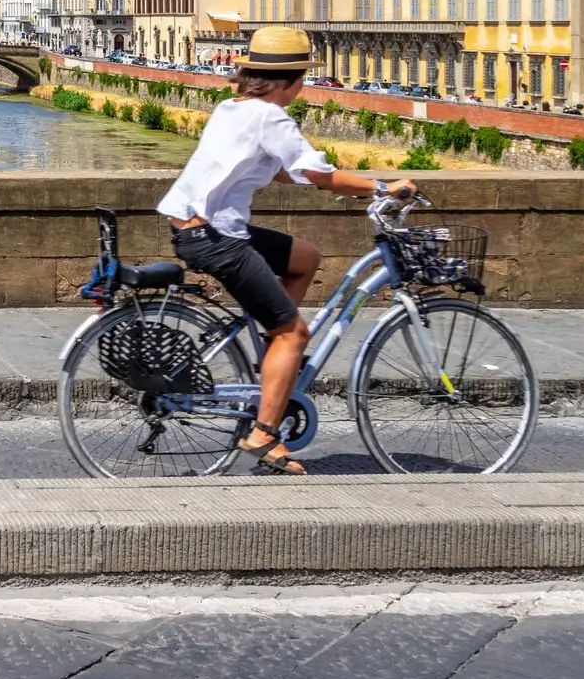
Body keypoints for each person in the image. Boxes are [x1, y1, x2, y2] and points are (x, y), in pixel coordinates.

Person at [156, 27, 415, 475]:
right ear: (292, 80)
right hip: (215, 239)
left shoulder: (231, 107)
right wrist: (382, 188)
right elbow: (320, 176)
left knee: (306, 258)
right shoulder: (271, 117)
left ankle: (273, 353)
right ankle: (263, 434)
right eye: (302, 81)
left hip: (198, 228)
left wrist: (321, 178)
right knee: (295, 332)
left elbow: (277, 171)